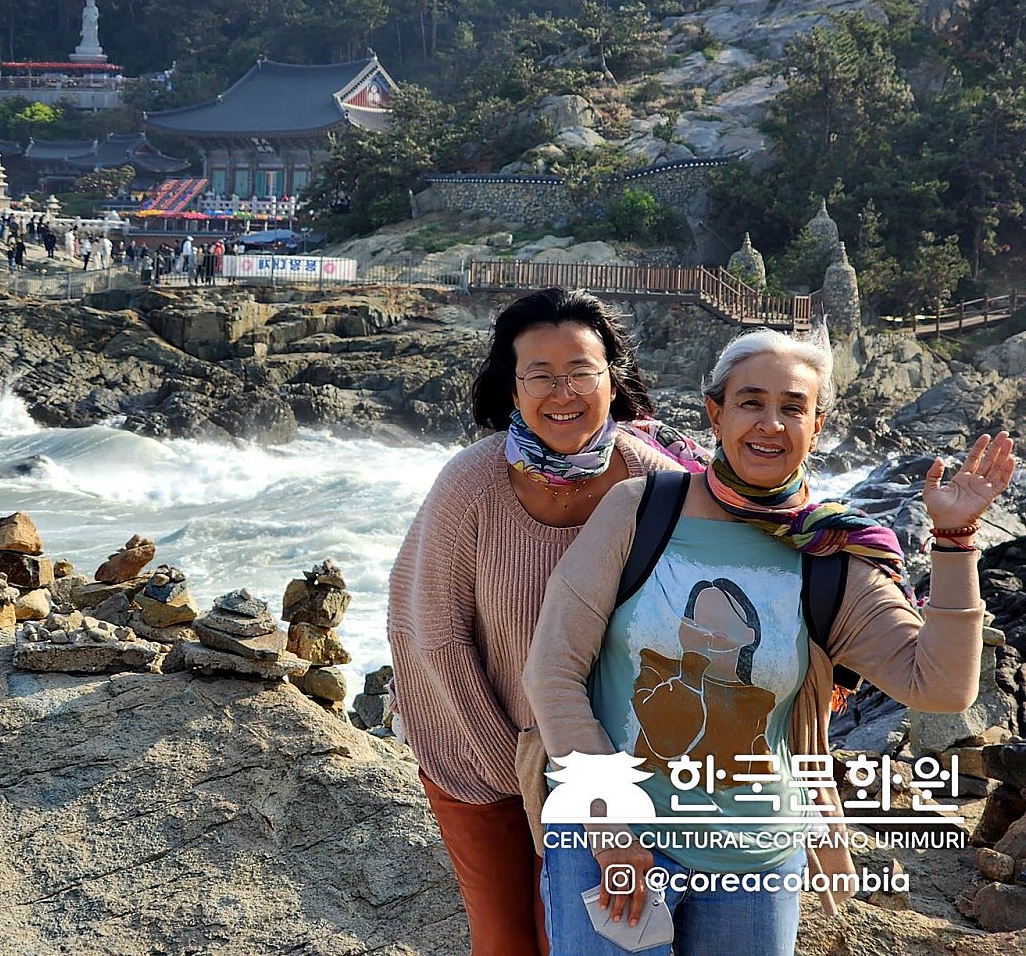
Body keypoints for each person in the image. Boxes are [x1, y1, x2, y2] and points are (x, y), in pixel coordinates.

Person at [523, 329, 1014, 956]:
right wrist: (609, 821)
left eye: (792, 407)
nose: (770, 424)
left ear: (818, 424)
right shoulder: (640, 511)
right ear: (716, 413)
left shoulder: (832, 554)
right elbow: (553, 671)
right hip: (612, 840)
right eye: (750, 402)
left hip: (755, 857)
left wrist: (955, 541)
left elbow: (941, 688)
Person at [388, 288, 703, 956]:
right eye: (540, 375)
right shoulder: (470, 484)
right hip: (477, 755)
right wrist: (519, 768)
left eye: (582, 372)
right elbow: (432, 635)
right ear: (512, 387)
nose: (564, 393)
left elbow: (699, 617)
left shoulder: (657, 484)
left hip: (608, 767)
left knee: (578, 937)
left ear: (612, 380)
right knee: (507, 941)